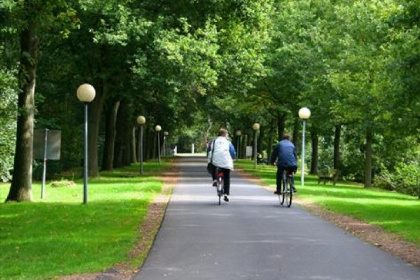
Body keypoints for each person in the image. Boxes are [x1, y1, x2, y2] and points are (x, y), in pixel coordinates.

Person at [207, 128, 236, 202]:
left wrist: (209, 159)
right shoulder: (228, 142)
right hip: (226, 162)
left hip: (216, 161)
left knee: (212, 166)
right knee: (227, 178)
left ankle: (215, 180)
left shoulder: (214, 141)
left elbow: (209, 150)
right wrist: (233, 158)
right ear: (225, 135)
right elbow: (232, 152)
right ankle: (226, 194)